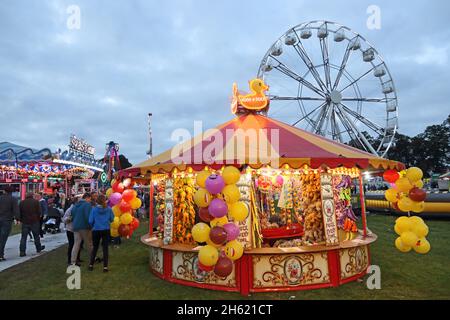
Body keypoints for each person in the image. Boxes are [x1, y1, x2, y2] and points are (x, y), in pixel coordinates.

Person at [88, 194, 114, 272]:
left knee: (95, 247)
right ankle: (105, 267)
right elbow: (112, 219)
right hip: (105, 229)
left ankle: (91, 265)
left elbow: (90, 221)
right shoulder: (109, 209)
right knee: (105, 248)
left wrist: (93, 225)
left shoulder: (94, 209)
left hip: (96, 230)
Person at [70, 193, 93, 266]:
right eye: (90, 199)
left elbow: (72, 214)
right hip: (84, 226)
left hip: (76, 226)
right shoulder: (87, 205)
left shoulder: (75, 205)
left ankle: (73, 261)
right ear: (87, 198)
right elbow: (88, 216)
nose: (90, 200)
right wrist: (90, 225)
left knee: (76, 244)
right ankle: (92, 258)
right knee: (89, 243)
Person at [0, 186, 20, 261]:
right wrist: (17, 219)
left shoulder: (0, 198)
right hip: (7, 220)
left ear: (4, 191)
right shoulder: (13, 199)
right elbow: (16, 210)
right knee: (3, 238)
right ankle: (0, 255)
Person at [62, 196, 81, 265]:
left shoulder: (79, 209)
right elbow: (64, 219)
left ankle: (77, 258)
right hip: (70, 229)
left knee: (78, 244)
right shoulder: (70, 209)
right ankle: (70, 260)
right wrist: (69, 219)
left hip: (77, 229)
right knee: (72, 244)